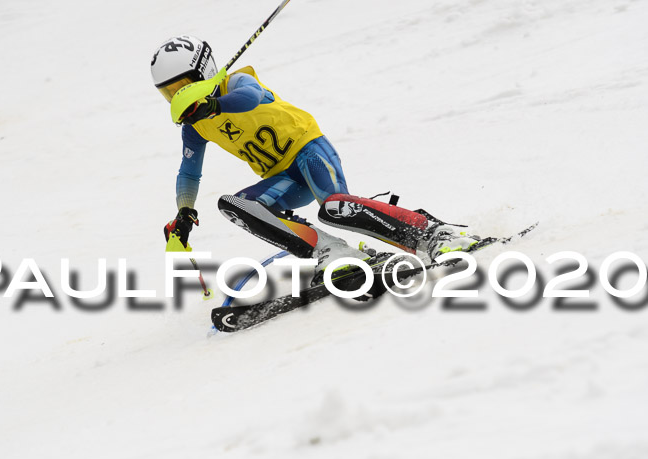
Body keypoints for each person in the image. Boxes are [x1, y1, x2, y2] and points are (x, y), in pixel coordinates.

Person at [151, 35, 480, 287]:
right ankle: (334, 252)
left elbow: (250, 98)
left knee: (335, 207)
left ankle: (435, 234)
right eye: (169, 93)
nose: (178, 96)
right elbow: (189, 172)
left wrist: (216, 106)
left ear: (204, 70)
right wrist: (184, 212)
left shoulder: (236, 82)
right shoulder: (195, 125)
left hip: (309, 153)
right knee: (234, 204)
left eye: (182, 85)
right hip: (284, 178)